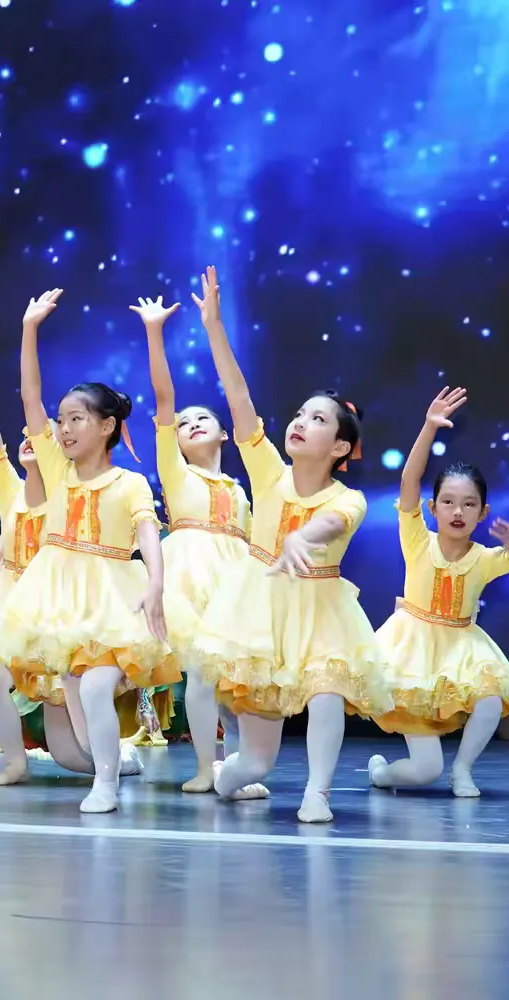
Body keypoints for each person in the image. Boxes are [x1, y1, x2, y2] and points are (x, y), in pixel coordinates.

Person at [187, 266, 389, 823]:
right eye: (300, 414)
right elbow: (238, 396)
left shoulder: (350, 498)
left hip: (321, 612)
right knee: (255, 765)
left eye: (317, 419)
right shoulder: (268, 471)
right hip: (260, 610)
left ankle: (317, 793)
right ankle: (229, 776)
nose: (300, 422)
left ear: (340, 446)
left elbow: (332, 524)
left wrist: (303, 534)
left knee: (327, 689)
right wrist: (214, 326)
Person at [0, 289, 192, 813]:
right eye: (61, 420)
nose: (63, 428)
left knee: (93, 686)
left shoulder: (129, 482)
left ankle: (105, 782)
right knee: (73, 687)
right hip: (58, 596)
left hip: (111, 597)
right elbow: (29, 396)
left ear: (107, 426)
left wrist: (156, 582)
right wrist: (29, 328)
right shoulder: (56, 468)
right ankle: (110, 763)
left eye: (76, 419)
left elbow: (147, 531)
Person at [367, 388, 509, 797]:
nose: (458, 511)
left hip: (461, 648)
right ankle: (382, 774)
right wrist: (429, 427)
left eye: (468, 504)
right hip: (412, 649)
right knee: (425, 770)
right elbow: (409, 480)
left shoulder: (484, 558)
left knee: (491, 697)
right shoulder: (417, 540)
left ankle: (463, 770)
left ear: (483, 513)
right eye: (448, 502)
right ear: (433, 508)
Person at [129, 294, 266, 797]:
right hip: (191, 575)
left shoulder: (239, 490)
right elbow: (164, 399)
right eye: (184, 425)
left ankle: (236, 767)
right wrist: (154, 332)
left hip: (237, 578)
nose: (191, 425)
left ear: (224, 435)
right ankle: (208, 766)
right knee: (205, 676)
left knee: (236, 680)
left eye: (202, 419)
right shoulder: (177, 473)